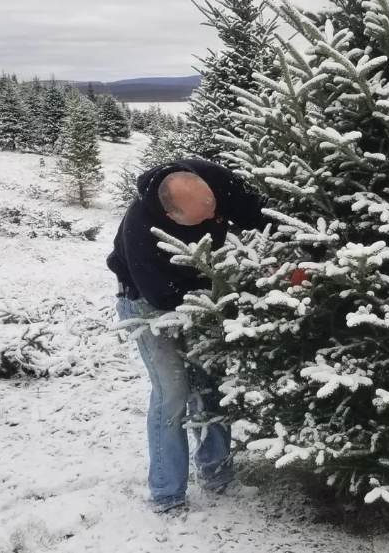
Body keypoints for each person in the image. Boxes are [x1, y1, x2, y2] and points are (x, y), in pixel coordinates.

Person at [107, 158, 264, 513]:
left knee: (211, 385)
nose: (212, 221)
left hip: (207, 294)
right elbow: (162, 296)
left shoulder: (214, 181)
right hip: (149, 305)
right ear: (172, 217)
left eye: (214, 212)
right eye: (200, 219)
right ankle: (168, 494)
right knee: (173, 392)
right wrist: (219, 296)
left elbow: (261, 215)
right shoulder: (141, 232)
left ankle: (218, 475)